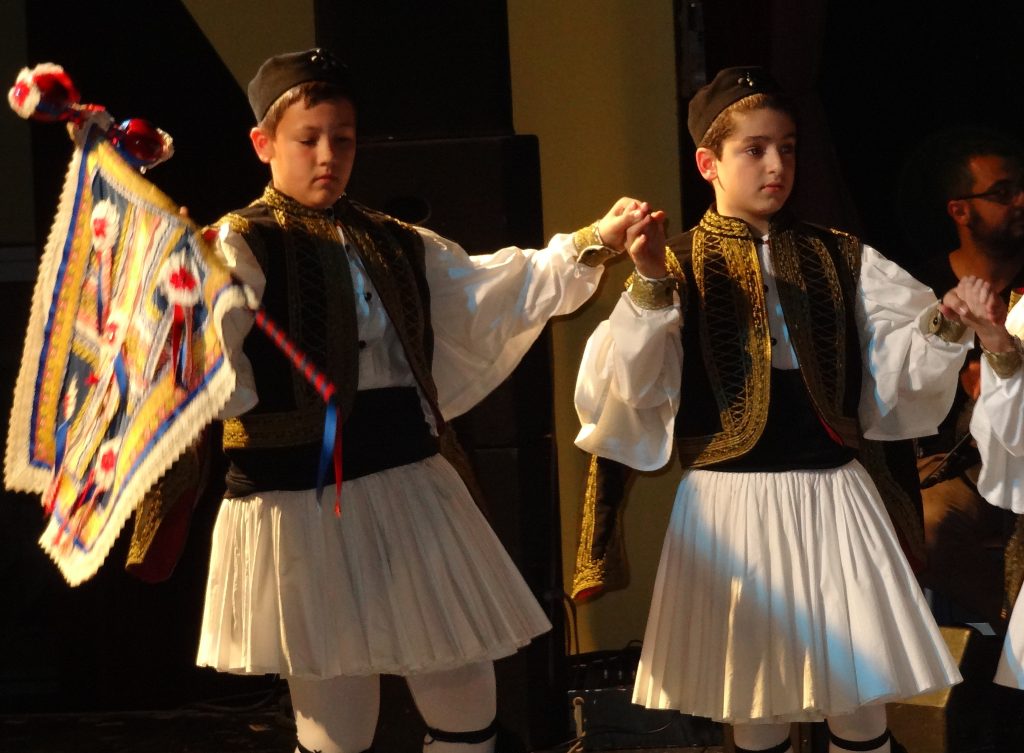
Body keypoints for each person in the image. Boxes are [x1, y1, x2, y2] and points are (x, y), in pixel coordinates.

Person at [191, 48, 651, 753]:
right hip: (299, 500)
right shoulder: (240, 244)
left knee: (464, 693)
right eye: (308, 139)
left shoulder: (394, 241)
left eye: (343, 139)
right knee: (338, 722)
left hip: (407, 481)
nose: (328, 156)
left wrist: (595, 241)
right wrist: (191, 302)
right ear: (263, 144)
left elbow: (493, 288)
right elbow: (202, 353)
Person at [574, 66, 972, 753]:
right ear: (709, 163)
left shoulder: (838, 255)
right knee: (757, 703)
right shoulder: (677, 263)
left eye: (787, 148)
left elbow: (898, 359)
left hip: (833, 495)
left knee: (859, 703)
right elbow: (631, 387)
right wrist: (649, 285)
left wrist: (944, 324)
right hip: (733, 508)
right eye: (754, 149)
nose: (777, 166)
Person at [906, 129, 1024, 631]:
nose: (1020, 202)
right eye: (1002, 193)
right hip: (961, 468)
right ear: (960, 210)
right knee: (923, 522)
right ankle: (1008, 626)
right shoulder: (921, 287)